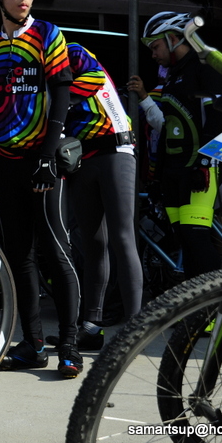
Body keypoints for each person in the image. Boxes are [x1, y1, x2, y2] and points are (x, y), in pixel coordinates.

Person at [0, 0, 82, 378]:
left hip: (43, 161)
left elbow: (62, 95)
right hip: (6, 163)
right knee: (18, 256)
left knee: (56, 252)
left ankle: (69, 345)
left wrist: (47, 156)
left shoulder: (47, 34)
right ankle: (32, 345)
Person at [48, 42, 143, 350]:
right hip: (82, 158)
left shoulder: (71, 50)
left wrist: (54, 105)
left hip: (115, 150)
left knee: (122, 238)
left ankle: (136, 329)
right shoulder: (36, 72)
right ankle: (91, 327)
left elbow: (94, 78)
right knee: (91, 244)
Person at [127, 11, 222, 279]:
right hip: (173, 171)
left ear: (173, 39)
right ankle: (197, 303)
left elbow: (215, 119)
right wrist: (158, 176)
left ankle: (218, 302)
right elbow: (170, 127)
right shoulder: (172, 76)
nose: (152, 54)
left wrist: (205, 162)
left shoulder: (204, 66)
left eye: (155, 46)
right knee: (183, 239)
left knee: (196, 238)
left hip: (199, 166)